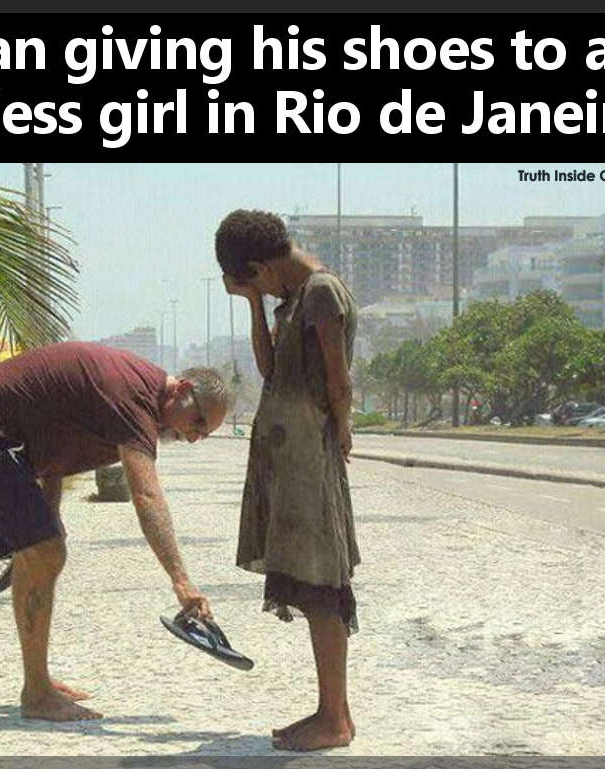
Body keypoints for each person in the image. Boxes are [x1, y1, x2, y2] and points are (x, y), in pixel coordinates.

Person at [0, 341, 232, 722]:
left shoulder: (139, 395)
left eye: (203, 434)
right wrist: (181, 581)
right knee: (44, 552)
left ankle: (37, 681)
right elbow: (146, 495)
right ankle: (37, 693)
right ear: (183, 390)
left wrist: (51, 510)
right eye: (199, 423)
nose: (195, 437)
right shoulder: (135, 398)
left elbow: (54, 442)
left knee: (43, 549)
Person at [215, 209, 360, 751]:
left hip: (310, 459)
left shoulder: (320, 292)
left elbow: (338, 380)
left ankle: (335, 720)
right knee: (309, 581)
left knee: (322, 586)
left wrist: (342, 428)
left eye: (252, 280)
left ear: (258, 264)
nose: (259, 289)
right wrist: (255, 302)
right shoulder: (291, 298)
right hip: (291, 459)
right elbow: (272, 371)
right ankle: (331, 712)